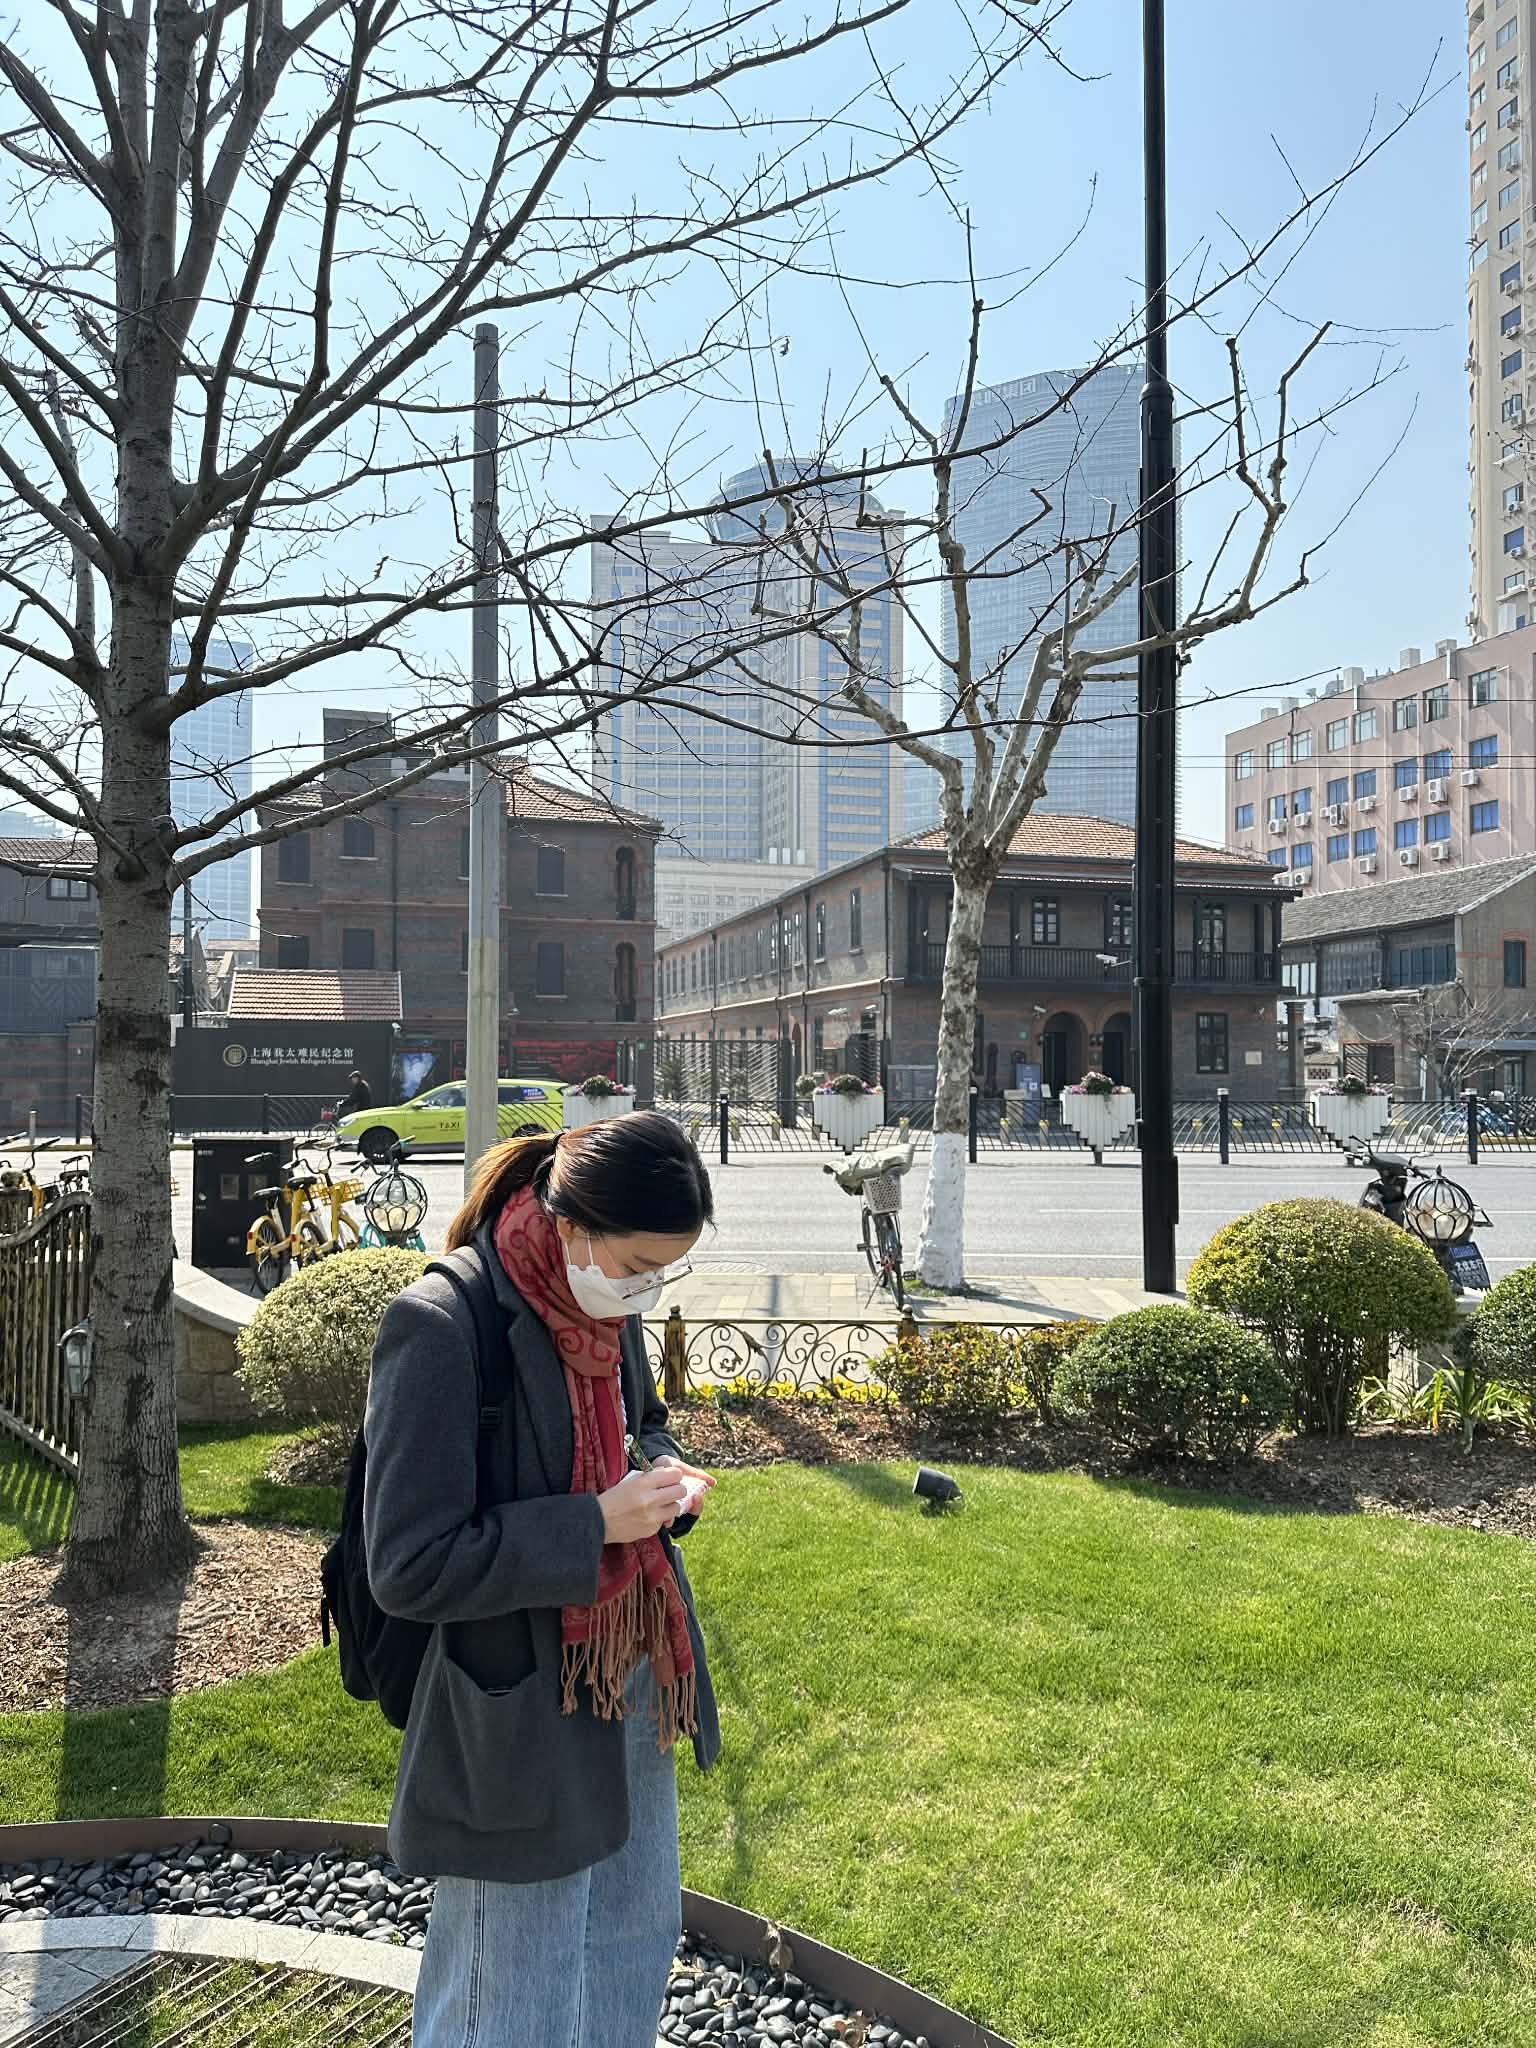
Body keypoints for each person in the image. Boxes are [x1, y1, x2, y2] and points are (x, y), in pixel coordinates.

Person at [362, 1111, 720, 2048]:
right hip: (518, 1703)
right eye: (639, 1265)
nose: (644, 1291)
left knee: (631, 1935)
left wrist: (662, 1475)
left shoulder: (603, 1301)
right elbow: (408, 1564)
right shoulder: (442, 1324)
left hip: (627, 1667)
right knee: (510, 1984)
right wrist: (595, 1523)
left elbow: (644, 1419)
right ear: (571, 1224)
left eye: (665, 1271)